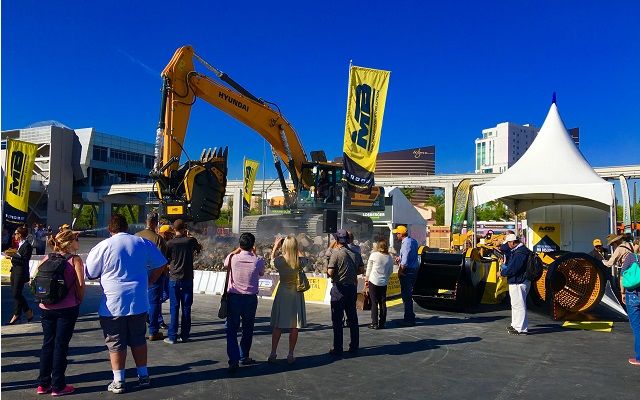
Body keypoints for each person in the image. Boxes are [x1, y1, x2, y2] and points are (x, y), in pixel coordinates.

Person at [85, 214, 167, 394]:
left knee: (115, 342)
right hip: (138, 301)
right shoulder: (141, 243)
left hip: (112, 303)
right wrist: (150, 281)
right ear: (127, 227)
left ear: (109, 229)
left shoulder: (102, 246)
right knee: (138, 338)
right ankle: (143, 375)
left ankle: (119, 380)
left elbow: (90, 273)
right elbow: (161, 263)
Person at [36, 229, 85, 396]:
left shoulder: (45, 258)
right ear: (70, 243)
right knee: (61, 345)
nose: (78, 241)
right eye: (76, 239)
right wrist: (78, 300)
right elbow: (80, 285)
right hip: (67, 308)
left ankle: (43, 384)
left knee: (47, 344)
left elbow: (34, 281)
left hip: (46, 307)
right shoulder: (75, 260)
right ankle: (58, 385)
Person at [224, 232, 265, 373]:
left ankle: (233, 360)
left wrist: (237, 250)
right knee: (247, 329)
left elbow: (225, 264)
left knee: (231, 330)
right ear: (253, 245)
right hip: (250, 299)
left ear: (240, 245)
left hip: (234, 298)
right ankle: (244, 356)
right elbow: (261, 273)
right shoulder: (258, 260)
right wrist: (254, 253)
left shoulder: (232, 258)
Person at [268, 236, 307, 364]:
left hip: (283, 292)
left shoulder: (279, 261)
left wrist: (275, 246)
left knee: (278, 324)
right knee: (294, 326)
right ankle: (290, 354)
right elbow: (305, 259)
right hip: (296, 293)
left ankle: (273, 353)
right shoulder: (300, 261)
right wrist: (296, 248)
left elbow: (271, 261)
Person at [164, 219, 202, 345]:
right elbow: (199, 249)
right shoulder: (190, 241)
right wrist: (189, 235)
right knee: (186, 308)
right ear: (184, 228)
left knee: (174, 308)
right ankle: (185, 335)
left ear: (173, 229)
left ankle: (172, 336)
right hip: (187, 278)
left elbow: (167, 259)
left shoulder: (170, 243)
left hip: (174, 278)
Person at [327, 229, 364, 356]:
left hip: (339, 288)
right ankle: (354, 346)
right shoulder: (355, 253)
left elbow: (330, 272)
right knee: (352, 318)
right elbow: (360, 270)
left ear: (337, 239)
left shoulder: (336, 253)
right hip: (352, 288)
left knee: (337, 320)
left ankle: (338, 347)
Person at [135, 213, 167, 341]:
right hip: (153, 273)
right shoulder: (158, 238)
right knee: (154, 302)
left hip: (138, 272)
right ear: (156, 222)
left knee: (139, 301)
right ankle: (153, 330)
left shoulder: (136, 236)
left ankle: (138, 329)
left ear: (146, 221)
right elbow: (162, 260)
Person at [498, 234, 530, 335]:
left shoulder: (520, 252)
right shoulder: (521, 250)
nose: (507, 245)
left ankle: (520, 328)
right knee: (516, 305)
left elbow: (513, 269)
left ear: (512, 242)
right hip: (518, 281)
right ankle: (516, 325)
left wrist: (502, 273)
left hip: (519, 281)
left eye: (508, 242)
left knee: (519, 305)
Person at [6, 226, 34, 325]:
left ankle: (27, 311)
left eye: (16, 233)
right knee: (15, 293)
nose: (14, 235)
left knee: (16, 293)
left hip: (21, 272)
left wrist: (12, 256)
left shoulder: (27, 246)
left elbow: (25, 260)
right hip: (14, 271)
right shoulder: (19, 245)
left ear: (20, 234)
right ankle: (17, 314)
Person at [393, 225, 419, 326]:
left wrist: (400, 271)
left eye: (397, 234)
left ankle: (408, 319)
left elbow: (405, 261)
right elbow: (409, 255)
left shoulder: (406, 243)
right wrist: (400, 257)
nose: (396, 236)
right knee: (408, 295)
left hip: (407, 271)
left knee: (406, 296)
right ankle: (409, 316)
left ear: (402, 234)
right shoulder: (413, 241)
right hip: (413, 270)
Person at [365, 239, 394, 329]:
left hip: (374, 281)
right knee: (383, 303)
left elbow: (369, 268)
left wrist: (366, 279)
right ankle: (382, 322)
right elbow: (390, 271)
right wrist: (385, 278)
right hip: (383, 282)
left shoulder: (374, 255)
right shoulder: (389, 257)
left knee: (374, 302)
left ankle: (374, 323)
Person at [621, 249, 640, 366]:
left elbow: (622, 276)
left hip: (633, 295)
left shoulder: (631, 257)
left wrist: (622, 292)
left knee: (637, 327)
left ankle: (639, 357)